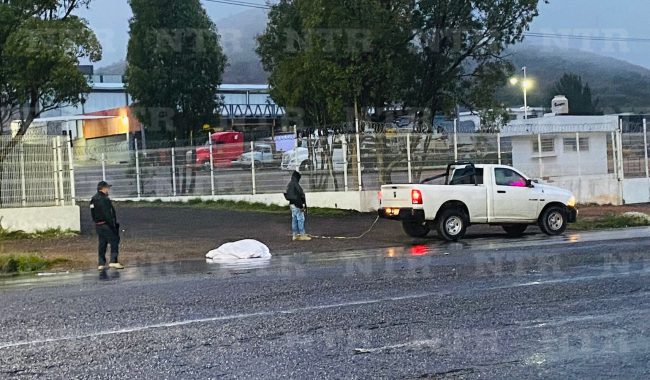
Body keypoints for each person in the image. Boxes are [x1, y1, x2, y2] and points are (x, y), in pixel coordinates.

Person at [90, 181, 124, 270]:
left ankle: (101, 263)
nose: (108, 190)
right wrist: (113, 224)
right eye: (107, 188)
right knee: (114, 240)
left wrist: (96, 221)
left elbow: (92, 212)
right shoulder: (104, 199)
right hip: (106, 224)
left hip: (98, 225)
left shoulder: (93, 199)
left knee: (102, 243)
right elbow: (108, 214)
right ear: (103, 188)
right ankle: (113, 261)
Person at [285, 171, 311, 241]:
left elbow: (289, 196)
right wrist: (301, 206)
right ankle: (302, 235)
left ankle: (295, 235)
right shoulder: (296, 185)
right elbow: (299, 196)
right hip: (297, 205)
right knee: (300, 219)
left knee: (294, 219)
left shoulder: (290, 184)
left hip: (292, 204)